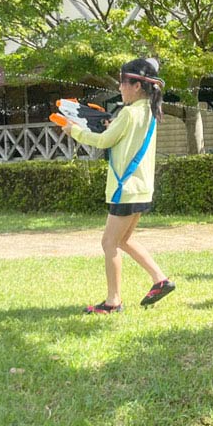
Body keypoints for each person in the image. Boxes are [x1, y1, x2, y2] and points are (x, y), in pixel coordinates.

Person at [62, 58, 173, 313]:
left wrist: (74, 131)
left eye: (123, 82)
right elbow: (123, 137)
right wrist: (112, 126)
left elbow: (103, 141)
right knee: (123, 240)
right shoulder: (149, 111)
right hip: (141, 188)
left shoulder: (129, 112)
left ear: (136, 85)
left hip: (125, 189)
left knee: (109, 243)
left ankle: (113, 302)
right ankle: (161, 280)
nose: (120, 87)